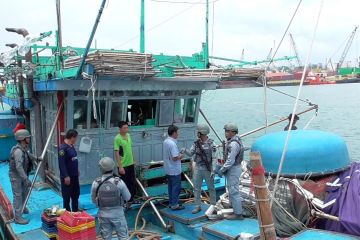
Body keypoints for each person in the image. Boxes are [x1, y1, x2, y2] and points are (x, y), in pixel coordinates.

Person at [91, 157, 131, 240]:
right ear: (113, 167)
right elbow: (127, 197)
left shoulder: (96, 183)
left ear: (101, 168)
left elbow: (94, 201)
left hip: (103, 216)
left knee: (106, 237)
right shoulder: (119, 182)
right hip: (118, 215)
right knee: (123, 237)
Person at [182, 124, 216, 214]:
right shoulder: (196, 143)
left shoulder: (211, 144)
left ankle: (213, 206)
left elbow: (214, 158)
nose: (197, 133)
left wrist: (213, 170)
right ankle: (197, 206)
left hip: (207, 169)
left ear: (202, 132)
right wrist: (185, 150)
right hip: (198, 168)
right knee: (196, 188)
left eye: (198, 132)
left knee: (211, 188)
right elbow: (190, 153)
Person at [9, 129, 41, 224]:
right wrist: (26, 179)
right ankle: (18, 217)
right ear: (23, 139)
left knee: (25, 192)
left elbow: (28, 154)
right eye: (28, 137)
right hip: (16, 176)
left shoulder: (23, 148)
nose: (29, 139)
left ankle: (23, 207)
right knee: (18, 195)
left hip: (22, 174)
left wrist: (36, 158)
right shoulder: (18, 151)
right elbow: (18, 167)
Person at [217, 123, 244, 220]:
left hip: (233, 169)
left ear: (233, 132)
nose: (226, 133)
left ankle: (238, 214)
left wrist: (222, 169)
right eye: (225, 131)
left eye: (227, 131)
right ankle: (234, 208)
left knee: (233, 191)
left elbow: (230, 160)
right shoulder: (235, 141)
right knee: (232, 189)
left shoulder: (233, 144)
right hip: (234, 168)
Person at [114, 121, 136, 204]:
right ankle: (125, 200)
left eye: (127, 127)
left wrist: (133, 159)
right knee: (125, 183)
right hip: (123, 164)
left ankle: (132, 198)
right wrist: (120, 166)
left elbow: (130, 148)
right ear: (120, 129)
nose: (126, 129)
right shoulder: (117, 138)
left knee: (132, 182)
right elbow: (117, 153)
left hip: (130, 163)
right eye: (124, 128)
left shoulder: (129, 136)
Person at [163, 125, 184, 210]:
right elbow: (175, 157)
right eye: (177, 132)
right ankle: (175, 204)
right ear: (174, 133)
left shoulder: (166, 141)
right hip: (175, 170)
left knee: (170, 187)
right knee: (176, 187)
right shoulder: (172, 144)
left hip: (168, 168)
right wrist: (181, 155)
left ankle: (171, 203)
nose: (178, 134)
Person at [58, 129, 80, 212]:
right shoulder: (62, 149)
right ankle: (67, 213)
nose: (76, 140)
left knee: (75, 194)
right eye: (76, 138)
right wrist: (66, 176)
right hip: (68, 177)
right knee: (67, 197)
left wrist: (77, 170)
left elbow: (74, 159)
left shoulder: (71, 146)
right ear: (72, 138)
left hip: (75, 175)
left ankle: (75, 211)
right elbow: (61, 164)